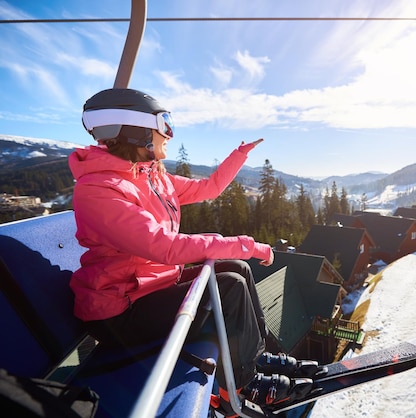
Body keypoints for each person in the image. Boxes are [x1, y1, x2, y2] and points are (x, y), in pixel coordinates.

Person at [69, 88, 315, 415]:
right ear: (135, 129)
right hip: (119, 311)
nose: (170, 134)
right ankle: (243, 384)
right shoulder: (100, 191)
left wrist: (238, 155)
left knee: (236, 268)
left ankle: (258, 354)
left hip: (150, 287)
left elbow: (207, 189)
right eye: (164, 124)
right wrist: (248, 244)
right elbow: (166, 247)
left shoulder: (150, 178)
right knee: (230, 288)